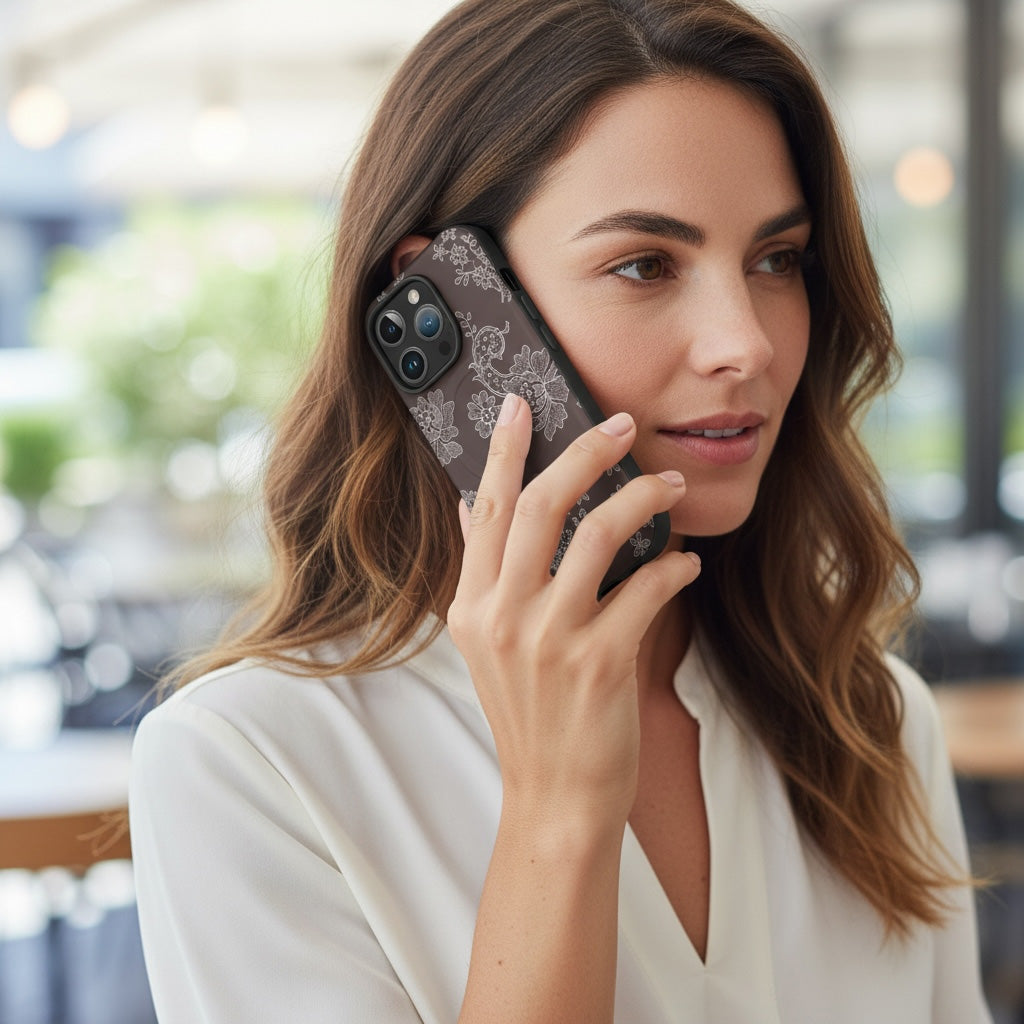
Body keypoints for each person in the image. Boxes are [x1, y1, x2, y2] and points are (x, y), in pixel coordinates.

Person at [128, 1, 993, 1021]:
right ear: (449, 302)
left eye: (777, 259)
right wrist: (557, 813)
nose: (747, 344)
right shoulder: (247, 764)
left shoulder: (871, 723)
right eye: (644, 264)